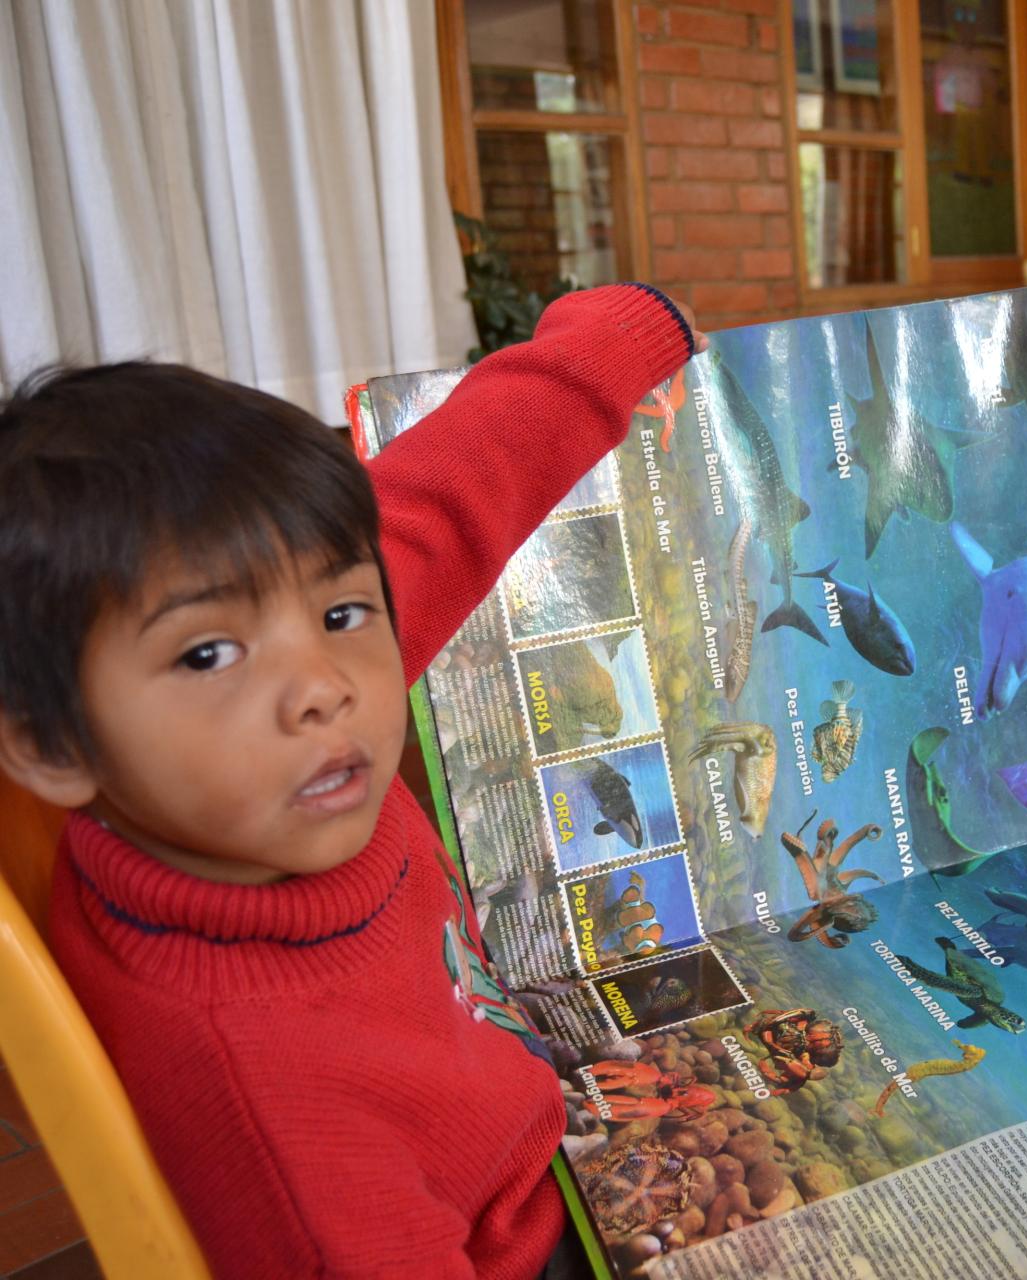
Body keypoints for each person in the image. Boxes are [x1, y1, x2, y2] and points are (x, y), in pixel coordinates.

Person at [0, 283, 703, 1278]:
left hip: (539, 1120)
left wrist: (622, 337)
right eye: (205, 654)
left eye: (341, 613)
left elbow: (447, 492)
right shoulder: (277, 1122)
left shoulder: (274, 738)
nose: (321, 686)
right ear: (51, 746)